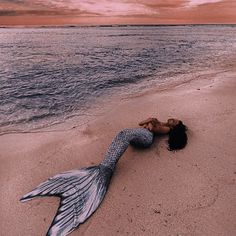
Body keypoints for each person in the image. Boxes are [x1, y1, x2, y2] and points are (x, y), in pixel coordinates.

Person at [21, 117, 188, 236]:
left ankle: (104, 170)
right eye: (173, 119)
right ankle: (104, 168)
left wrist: (152, 121)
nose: (173, 118)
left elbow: (147, 127)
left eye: (176, 120)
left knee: (124, 134)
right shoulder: (162, 123)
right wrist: (150, 122)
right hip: (143, 135)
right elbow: (141, 124)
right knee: (124, 134)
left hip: (146, 138)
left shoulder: (166, 128)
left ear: (176, 126)